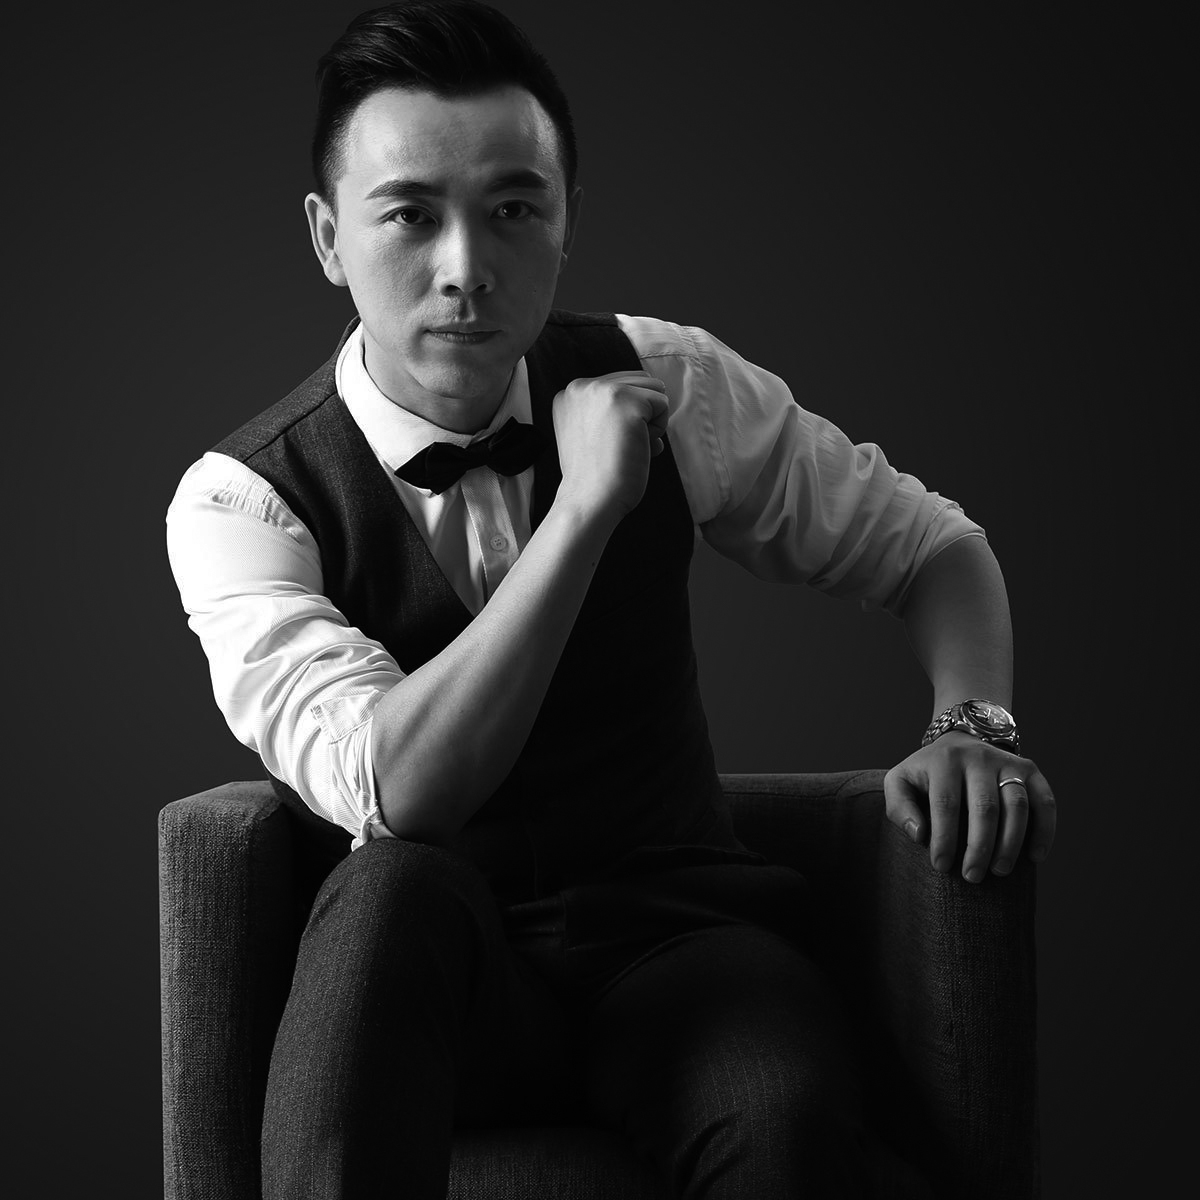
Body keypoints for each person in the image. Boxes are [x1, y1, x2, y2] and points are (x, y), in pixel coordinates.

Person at [166, 2, 1056, 1196]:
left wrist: (971, 723)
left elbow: (935, 547)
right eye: (411, 215)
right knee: (388, 887)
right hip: (438, 987)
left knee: (782, 1121)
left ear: (567, 223)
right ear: (330, 237)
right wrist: (584, 509)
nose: (465, 270)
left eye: (513, 209)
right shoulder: (242, 502)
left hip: (680, 946)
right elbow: (401, 790)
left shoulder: (668, 377)